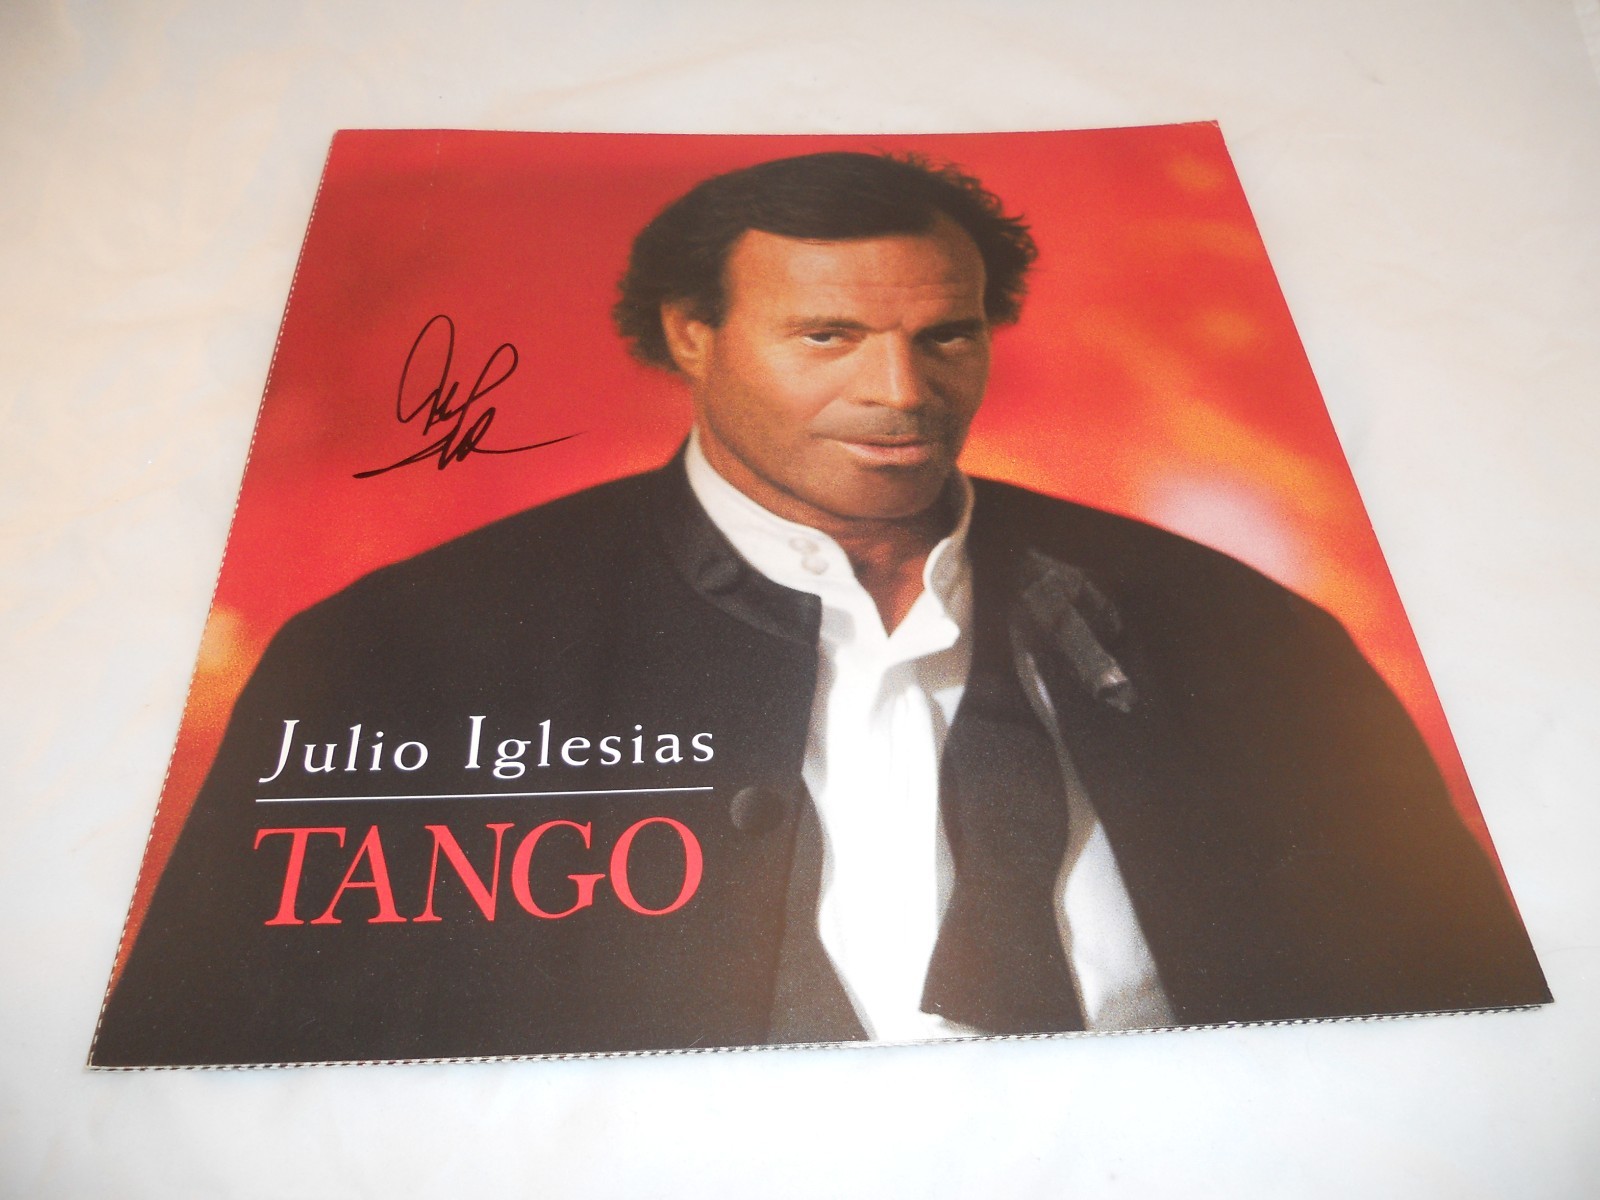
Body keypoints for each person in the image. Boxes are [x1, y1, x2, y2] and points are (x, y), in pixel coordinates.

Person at [92, 152, 1548, 1067]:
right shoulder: (393, 653)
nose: (901, 394)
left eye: (945, 335)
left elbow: (1460, 1026)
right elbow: (219, 1075)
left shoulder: (1248, 632)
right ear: (691, 334)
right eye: (829, 335)